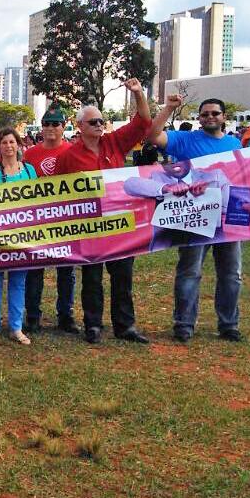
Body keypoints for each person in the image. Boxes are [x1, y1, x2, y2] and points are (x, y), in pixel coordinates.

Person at [54, 78, 154, 345]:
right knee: (92, 277)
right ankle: (93, 324)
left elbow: (143, 123)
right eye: (93, 122)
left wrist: (138, 94)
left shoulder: (115, 143)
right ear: (80, 127)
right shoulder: (69, 156)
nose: (99, 125)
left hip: (121, 223)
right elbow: (56, 192)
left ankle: (125, 325)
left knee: (123, 275)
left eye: (102, 121)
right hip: (90, 225)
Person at [147, 96, 246, 342]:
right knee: (190, 272)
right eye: (205, 114)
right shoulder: (185, 140)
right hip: (194, 218)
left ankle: (229, 324)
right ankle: (184, 324)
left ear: (224, 117)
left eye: (215, 113)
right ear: (199, 118)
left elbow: (244, 178)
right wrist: (169, 108)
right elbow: (153, 135)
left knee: (231, 274)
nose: (210, 117)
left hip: (225, 218)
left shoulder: (235, 143)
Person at [21, 104, 78, 334]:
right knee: (35, 270)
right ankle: (32, 316)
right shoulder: (31, 154)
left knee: (67, 270)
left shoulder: (73, 151)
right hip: (37, 219)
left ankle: (66, 316)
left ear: (64, 126)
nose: (50, 128)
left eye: (55, 124)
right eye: (46, 123)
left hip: (65, 218)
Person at [0, 127, 35, 346]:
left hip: (23, 235)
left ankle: (16, 328)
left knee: (18, 282)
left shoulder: (29, 171)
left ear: (18, 145)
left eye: (12, 142)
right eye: (4, 143)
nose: (9, 146)